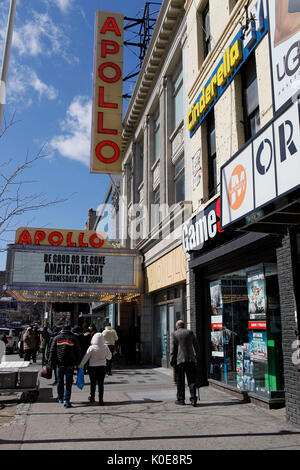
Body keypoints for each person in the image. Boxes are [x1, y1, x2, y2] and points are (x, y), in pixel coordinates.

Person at [48, 322, 81, 408]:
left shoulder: (57, 338)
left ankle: (60, 398)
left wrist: (50, 363)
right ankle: (67, 400)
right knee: (68, 382)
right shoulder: (73, 338)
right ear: (70, 329)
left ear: (62, 329)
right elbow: (78, 351)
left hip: (60, 364)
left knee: (60, 381)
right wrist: (78, 363)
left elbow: (52, 351)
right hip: (70, 364)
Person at [170, 320, 200, 407]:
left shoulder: (174, 334)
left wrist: (172, 361)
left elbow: (172, 349)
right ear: (184, 325)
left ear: (177, 326)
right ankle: (193, 399)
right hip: (191, 360)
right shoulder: (190, 332)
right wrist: (197, 357)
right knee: (192, 380)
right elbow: (196, 346)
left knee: (180, 381)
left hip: (180, 361)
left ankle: (181, 399)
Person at [79, 333, 112, 405]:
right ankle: (101, 399)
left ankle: (92, 397)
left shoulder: (91, 347)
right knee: (101, 384)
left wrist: (81, 365)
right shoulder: (105, 347)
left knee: (93, 383)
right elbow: (109, 357)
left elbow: (86, 357)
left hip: (92, 367)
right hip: (102, 367)